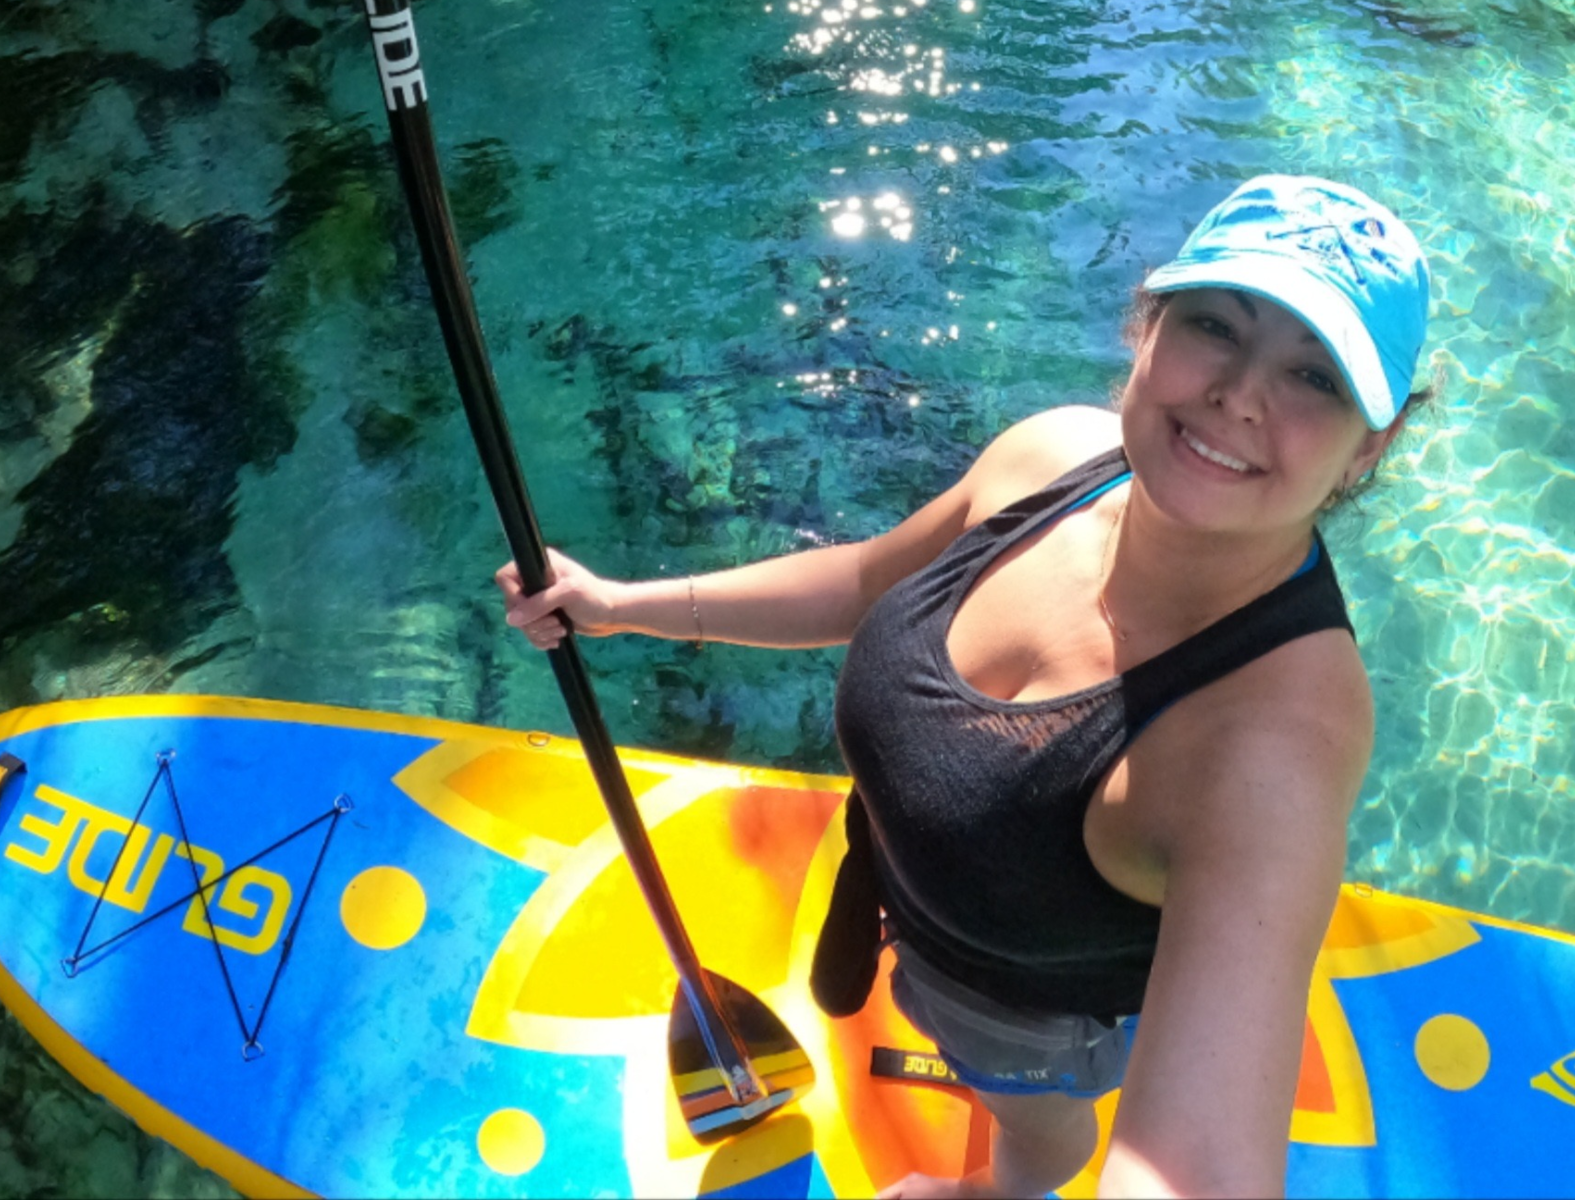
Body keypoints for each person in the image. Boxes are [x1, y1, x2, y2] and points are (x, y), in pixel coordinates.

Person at [496, 174, 1432, 1198]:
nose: (1241, 394)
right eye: (1217, 325)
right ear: (1146, 327)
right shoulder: (1054, 456)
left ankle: (998, 1189)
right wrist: (623, 604)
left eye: (1317, 379)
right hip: (906, 903)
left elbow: (1195, 1171)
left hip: (1026, 1020)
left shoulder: (1270, 754)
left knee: (1030, 1120)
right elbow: (864, 582)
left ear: (1369, 446)